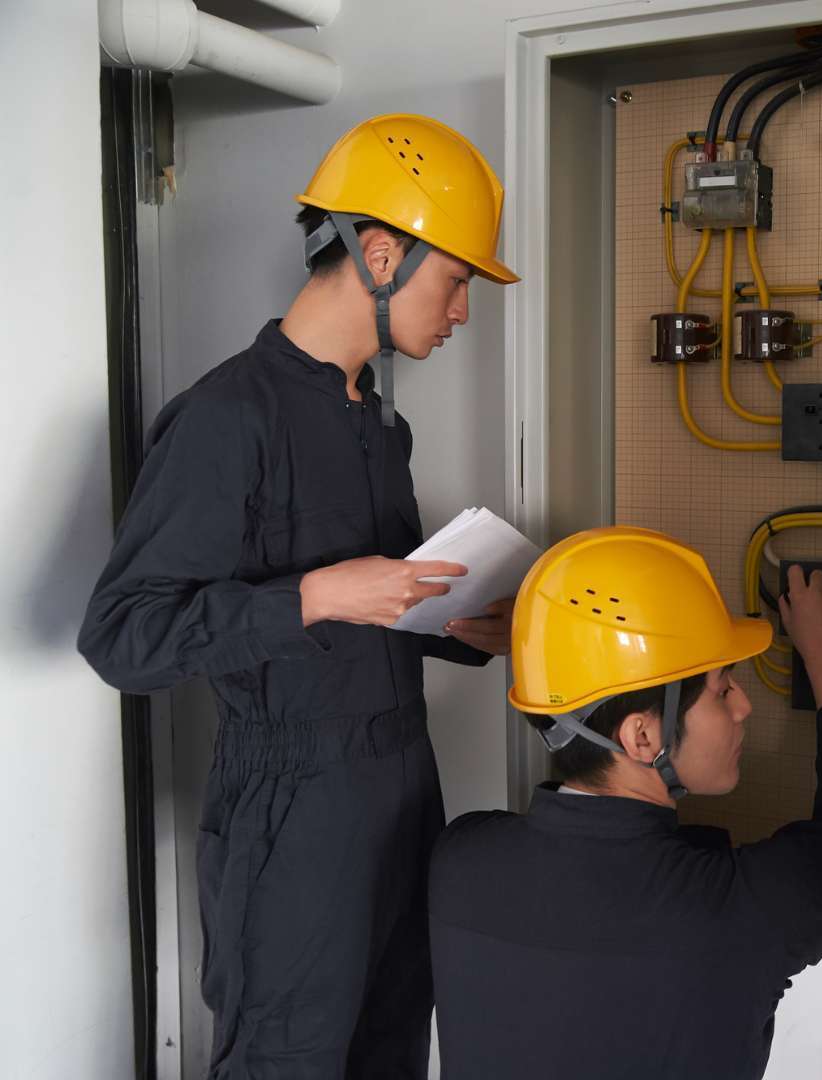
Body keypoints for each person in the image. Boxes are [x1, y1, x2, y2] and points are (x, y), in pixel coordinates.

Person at [78, 113, 520, 1078]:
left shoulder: (380, 428)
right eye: (456, 281)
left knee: (392, 1049)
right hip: (291, 809)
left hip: (405, 789)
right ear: (381, 254)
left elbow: (376, 603)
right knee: (290, 1059)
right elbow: (123, 637)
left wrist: (458, 626)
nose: (462, 311)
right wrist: (312, 596)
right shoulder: (225, 417)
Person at [428, 526, 822, 1080]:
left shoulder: (461, 859)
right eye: (722, 688)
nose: (743, 707)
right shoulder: (740, 908)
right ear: (642, 737)